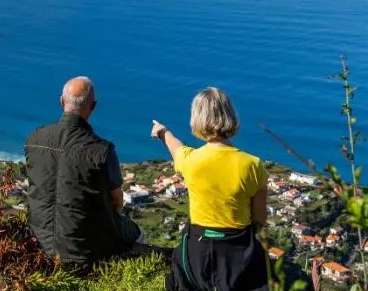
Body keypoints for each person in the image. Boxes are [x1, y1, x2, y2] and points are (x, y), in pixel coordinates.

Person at [152, 87, 269, 291]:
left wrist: (163, 132)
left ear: (196, 119)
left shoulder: (191, 161)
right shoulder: (253, 165)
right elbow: (259, 219)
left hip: (197, 249)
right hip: (239, 248)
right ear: (230, 115)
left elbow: (175, 147)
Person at [24, 76, 142, 266]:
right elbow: (117, 201)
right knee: (137, 233)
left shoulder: (34, 139)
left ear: (61, 102)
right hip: (87, 249)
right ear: (93, 106)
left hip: (40, 239)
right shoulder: (101, 150)